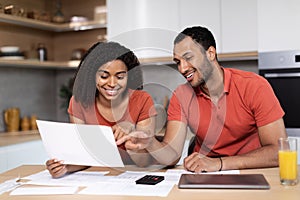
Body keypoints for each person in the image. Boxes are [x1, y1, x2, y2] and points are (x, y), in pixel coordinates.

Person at [121, 26, 287, 173]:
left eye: (188, 58)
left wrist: (220, 163)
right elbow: (171, 155)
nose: (182, 68)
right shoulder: (181, 96)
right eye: (178, 62)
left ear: (210, 53)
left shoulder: (254, 86)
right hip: (205, 174)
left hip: (252, 172)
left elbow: (278, 152)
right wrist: (149, 142)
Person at [46, 41, 157, 178]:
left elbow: (144, 162)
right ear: (92, 75)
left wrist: (132, 139)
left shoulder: (142, 100)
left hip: (132, 177)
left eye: (120, 77)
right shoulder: (78, 102)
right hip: (96, 179)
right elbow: (84, 155)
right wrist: (65, 167)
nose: (112, 84)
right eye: (104, 76)